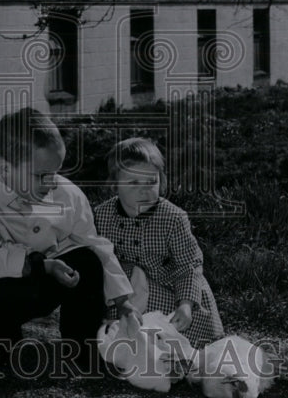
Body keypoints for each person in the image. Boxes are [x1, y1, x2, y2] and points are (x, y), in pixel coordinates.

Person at [0, 107, 135, 377]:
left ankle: (82, 346)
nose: (51, 183)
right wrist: (42, 265)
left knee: (88, 260)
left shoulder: (68, 195)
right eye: (41, 175)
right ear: (4, 169)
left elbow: (95, 244)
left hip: (49, 280)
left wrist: (122, 301)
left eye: (56, 172)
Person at [94, 137, 224, 348]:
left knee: (177, 342)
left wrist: (186, 304)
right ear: (114, 184)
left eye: (151, 181)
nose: (144, 190)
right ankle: (127, 344)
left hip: (170, 291)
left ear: (161, 181)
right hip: (125, 295)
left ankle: (171, 350)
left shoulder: (173, 218)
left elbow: (188, 265)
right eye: (134, 182)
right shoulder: (102, 215)